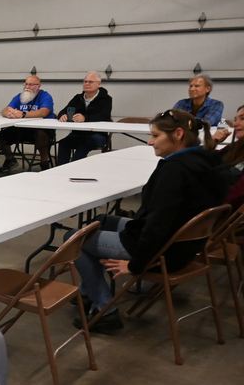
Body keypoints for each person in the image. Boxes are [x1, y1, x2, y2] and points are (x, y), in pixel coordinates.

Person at [70, 109, 232, 333]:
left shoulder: (175, 170)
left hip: (164, 250)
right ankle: (89, 290)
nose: (150, 142)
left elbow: (158, 226)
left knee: (73, 240)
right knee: (101, 221)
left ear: (177, 134)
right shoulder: (208, 159)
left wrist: (136, 265)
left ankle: (104, 310)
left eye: (156, 136)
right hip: (186, 245)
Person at [0, 75, 56, 171]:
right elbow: (5, 109)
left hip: (42, 129)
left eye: (31, 84)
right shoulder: (20, 96)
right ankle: (10, 160)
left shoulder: (45, 96)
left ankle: (44, 162)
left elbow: (44, 112)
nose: (27, 87)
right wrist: (8, 114)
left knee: (41, 136)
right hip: (22, 129)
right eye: (26, 84)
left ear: (38, 86)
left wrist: (23, 114)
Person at [56, 71, 113, 165]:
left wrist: (85, 118)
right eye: (85, 81)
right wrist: (62, 116)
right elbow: (63, 111)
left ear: (98, 84)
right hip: (78, 133)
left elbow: (104, 116)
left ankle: (73, 168)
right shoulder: (78, 98)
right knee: (63, 143)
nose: (87, 84)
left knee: (85, 143)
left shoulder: (106, 99)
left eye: (90, 82)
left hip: (98, 134)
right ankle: (59, 169)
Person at [173, 74, 230, 143]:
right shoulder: (181, 103)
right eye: (190, 86)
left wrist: (185, 123)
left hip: (206, 142)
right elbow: (171, 121)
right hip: (183, 141)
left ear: (208, 89)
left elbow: (206, 122)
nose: (192, 89)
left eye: (197, 86)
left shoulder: (216, 104)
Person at [222, 104, 244, 208]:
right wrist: (214, 141)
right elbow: (209, 160)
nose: (235, 124)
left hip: (221, 213)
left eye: (242, 119)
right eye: (235, 120)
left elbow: (235, 196)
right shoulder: (237, 146)